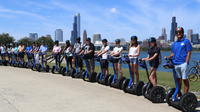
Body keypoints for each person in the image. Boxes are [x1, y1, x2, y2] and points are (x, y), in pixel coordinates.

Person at [165, 27, 192, 94]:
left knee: (184, 79)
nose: (178, 33)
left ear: (182, 33)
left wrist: (186, 62)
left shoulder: (186, 41)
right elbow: (173, 53)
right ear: (176, 34)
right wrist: (168, 57)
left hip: (183, 64)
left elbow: (189, 52)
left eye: (180, 32)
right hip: (175, 64)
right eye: (177, 32)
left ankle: (185, 96)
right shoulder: (174, 44)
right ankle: (179, 95)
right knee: (178, 80)